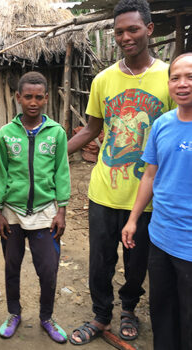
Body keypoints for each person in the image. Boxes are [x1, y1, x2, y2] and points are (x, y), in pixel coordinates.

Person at [68, 0, 176, 345]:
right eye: (119, 32)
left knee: (136, 261)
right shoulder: (103, 80)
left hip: (146, 195)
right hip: (104, 190)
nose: (125, 37)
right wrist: (50, 155)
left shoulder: (169, 78)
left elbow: (179, 132)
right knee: (99, 260)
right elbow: (90, 130)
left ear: (149, 29)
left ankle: (129, 308)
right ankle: (101, 315)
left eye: (132, 29)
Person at [122, 53, 192, 350]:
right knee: (162, 310)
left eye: (189, 77)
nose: (182, 84)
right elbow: (150, 175)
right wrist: (133, 219)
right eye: (175, 77)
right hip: (161, 236)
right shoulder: (162, 123)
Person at [0, 71, 71, 344]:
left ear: (47, 98)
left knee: (48, 269)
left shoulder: (56, 133)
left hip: (45, 212)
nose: (33, 102)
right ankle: (14, 313)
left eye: (39, 97)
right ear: (18, 97)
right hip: (12, 212)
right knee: (12, 266)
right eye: (28, 96)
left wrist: (61, 210)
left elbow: (62, 171)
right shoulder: (6, 134)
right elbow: (1, 173)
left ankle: (47, 317)